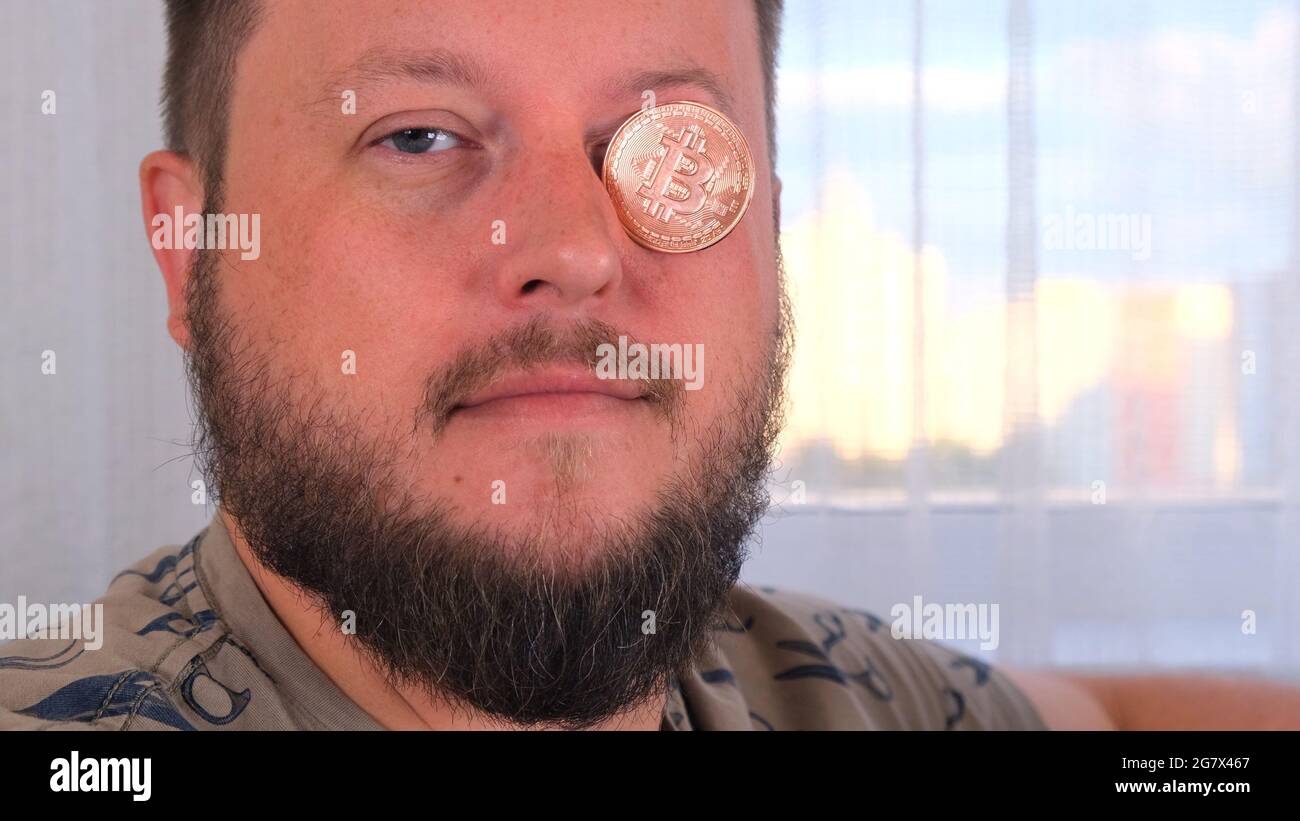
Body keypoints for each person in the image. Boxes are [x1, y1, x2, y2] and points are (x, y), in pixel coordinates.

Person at [2, 0, 1297, 731]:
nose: (572, 251)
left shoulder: (833, 694)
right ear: (189, 251)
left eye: (674, 146)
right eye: (417, 135)